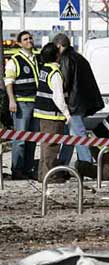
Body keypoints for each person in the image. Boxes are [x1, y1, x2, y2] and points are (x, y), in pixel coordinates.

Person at [52, 33, 104, 178]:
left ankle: (86, 164)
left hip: (73, 104)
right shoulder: (78, 57)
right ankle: (62, 165)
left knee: (78, 134)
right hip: (80, 102)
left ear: (59, 46)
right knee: (70, 136)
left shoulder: (66, 59)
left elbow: (65, 82)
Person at [4, 31, 40, 180]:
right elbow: (9, 82)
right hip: (22, 103)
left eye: (30, 38)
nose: (29, 41)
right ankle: (17, 170)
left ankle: (28, 168)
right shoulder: (15, 60)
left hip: (35, 103)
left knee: (32, 139)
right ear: (19, 43)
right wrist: (12, 100)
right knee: (20, 139)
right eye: (25, 39)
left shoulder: (36, 59)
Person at [34, 42, 71, 183]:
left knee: (45, 146)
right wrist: (67, 113)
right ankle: (49, 176)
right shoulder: (55, 73)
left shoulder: (45, 69)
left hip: (42, 114)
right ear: (56, 56)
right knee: (52, 147)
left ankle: (42, 174)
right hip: (52, 115)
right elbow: (58, 97)